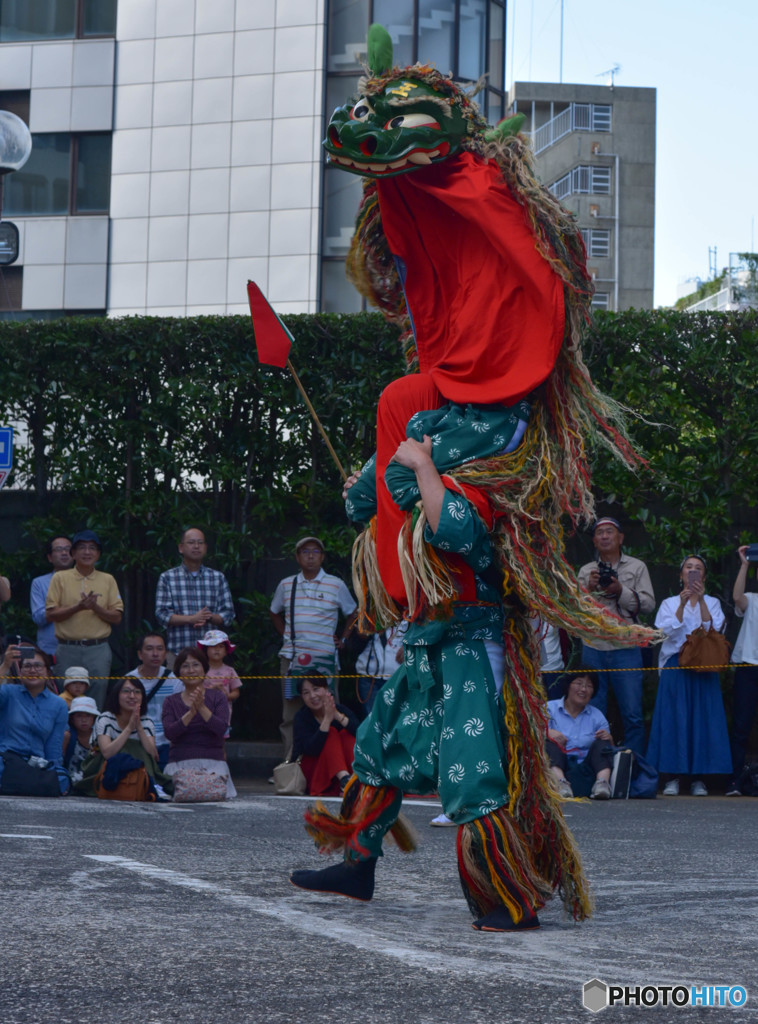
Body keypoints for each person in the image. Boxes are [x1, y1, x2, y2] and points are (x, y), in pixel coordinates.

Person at [646, 555, 731, 796]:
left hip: (704, 666)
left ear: (703, 576)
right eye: (688, 568)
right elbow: (663, 633)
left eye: (698, 569)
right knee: (675, 720)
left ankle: (699, 779)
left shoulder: (712, 601)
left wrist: (701, 600)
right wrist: (682, 605)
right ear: (681, 574)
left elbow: (712, 630)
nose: (692, 571)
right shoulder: (669, 602)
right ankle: (672, 777)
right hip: (676, 664)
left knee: (702, 721)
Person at [269, 536, 357, 757]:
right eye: (305, 551)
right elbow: (274, 611)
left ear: (323, 557)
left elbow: (354, 613)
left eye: (315, 551)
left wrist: (343, 639)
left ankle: (330, 763)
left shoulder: (335, 585)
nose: (310, 555)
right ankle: (290, 769)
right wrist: (287, 635)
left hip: (325, 659)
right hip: (292, 658)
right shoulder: (286, 584)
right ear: (297, 557)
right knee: (290, 715)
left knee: (330, 711)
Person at [577, 517, 655, 755]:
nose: (604, 536)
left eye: (609, 532)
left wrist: (621, 591)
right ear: (594, 540)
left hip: (627, 647)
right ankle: (594, 769)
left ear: (620, 538)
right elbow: (573, 611)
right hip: (594, 646)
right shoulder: (586, 571)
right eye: (599, 533)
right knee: (591, 711)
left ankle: (633, 772)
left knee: (632, 713)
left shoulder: (637, 567)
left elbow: (649, 605)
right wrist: (588, 589)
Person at [45, 529, 123, 709]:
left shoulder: (108, 579)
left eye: (92, 548)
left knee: (97, 694)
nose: (87, 552)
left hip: (98, 649)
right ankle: (67, 736)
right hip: (67, 648)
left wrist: (95, 607)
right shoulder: (60, 578)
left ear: (98, 554)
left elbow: (117, 617)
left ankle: (95, 736)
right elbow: (50, 614)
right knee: (64, 699)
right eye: (81, 548)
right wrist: (78, 607)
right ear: (73, 553)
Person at [161, 646, 236, 798]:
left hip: (213, 764)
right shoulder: (170, 701)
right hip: (179, 765)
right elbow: (170, 733)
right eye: (185, 666)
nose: (191, 670)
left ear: (204, 668)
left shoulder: (218, 697)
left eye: (196, 665)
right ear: (179, 672)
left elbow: (221, 728)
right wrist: (191, 713)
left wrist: (201, 707)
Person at [0, 643, 69, 794]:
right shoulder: (9, 693)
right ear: (20, 673)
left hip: (36, 764)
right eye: (27, 666)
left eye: (38, 666)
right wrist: (5, 665)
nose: (32, 670)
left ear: (48, 672)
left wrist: (56, 773)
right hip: (6, 759)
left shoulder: (58, 705)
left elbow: (54, 748)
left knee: (62, 779)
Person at [155, 527, 235, 654]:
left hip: (211, 655)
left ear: (206, 547)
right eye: (191, 542)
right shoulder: (168, 578)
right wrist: (191, 619)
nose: (196, 546)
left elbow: (228, 614)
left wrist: (210, 617)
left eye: (200, 543)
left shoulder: (217, 577)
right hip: (178, 652)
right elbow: (161, 615)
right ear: (181, 548)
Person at [546, 671, 614, 799]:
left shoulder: (597, 715)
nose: (583, 689)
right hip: (558, 764)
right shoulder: (549, 708)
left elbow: (610, 750)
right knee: (548, 742)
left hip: (587, 768)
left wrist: (609, 739)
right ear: (568, 686)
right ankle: (560, 784)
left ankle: (602, 784)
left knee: (603, 744)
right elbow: (531, 736)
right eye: (579, 683)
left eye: (589, 686)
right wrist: (547, 732)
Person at [292, 673, 358, 796]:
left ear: (326, 689)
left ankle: (356, 779)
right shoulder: (301, 717)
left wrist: (337, 716)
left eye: (316, 689)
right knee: (331, 732)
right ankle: (345, 781)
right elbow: (310, 750)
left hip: (336, 770)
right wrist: (327, 720)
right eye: (306, 693)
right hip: (313, 771)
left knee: (346, 734)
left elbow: (361, 735)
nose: (312, 696)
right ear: (302, 697)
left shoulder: (340, 709)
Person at [726, 545, 758, 795]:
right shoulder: (752, 599)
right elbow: (737, 598)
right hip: (748, 668)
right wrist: (745, 564)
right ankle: (736, 780)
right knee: (741, 726)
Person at [125, 632, 181, 769]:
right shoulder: (129, 680)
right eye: (149, 649)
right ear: (140, 654)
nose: (155, 654)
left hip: (167, 743)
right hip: (137, 741)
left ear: (166, 653)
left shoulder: (174, 680)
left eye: (160, 649)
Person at [30, 535, 73, 658]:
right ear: (50, 557)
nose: (64, 553)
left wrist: (55, 610)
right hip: (51, 650)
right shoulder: (39, 583)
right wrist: (70, 607)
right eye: (59, 549)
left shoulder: (85, 581)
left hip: (81, 648)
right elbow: (38, 618)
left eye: (68, 549)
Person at [354, 622, 406, 718]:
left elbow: (421, 634)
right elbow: (354, 644)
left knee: (393, 719)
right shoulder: (369, 611)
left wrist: (408, 646)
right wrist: (362, 634)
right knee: (371, 719)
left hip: (396, 677)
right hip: (369, 677)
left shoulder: (408, 614)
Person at [197, 629, 241, 733]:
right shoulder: (200, 670)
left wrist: (228, 696)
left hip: (223, 714)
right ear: (206, 649)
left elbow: (236, 691)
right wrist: (209, 690)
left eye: (221, 646)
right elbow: (194, 689)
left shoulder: (230, 671)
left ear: (226, 651)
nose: (217, 649)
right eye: (212, 646)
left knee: (220, 744)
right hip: (202, 713)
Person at [63, 695, 98, 782]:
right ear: (72, 718)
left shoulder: (98, 737)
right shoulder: (68, 736)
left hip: (92, 781)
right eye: (79, 716)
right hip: (70, 781)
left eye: (88, 715)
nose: (84, 720)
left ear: (94, 717)